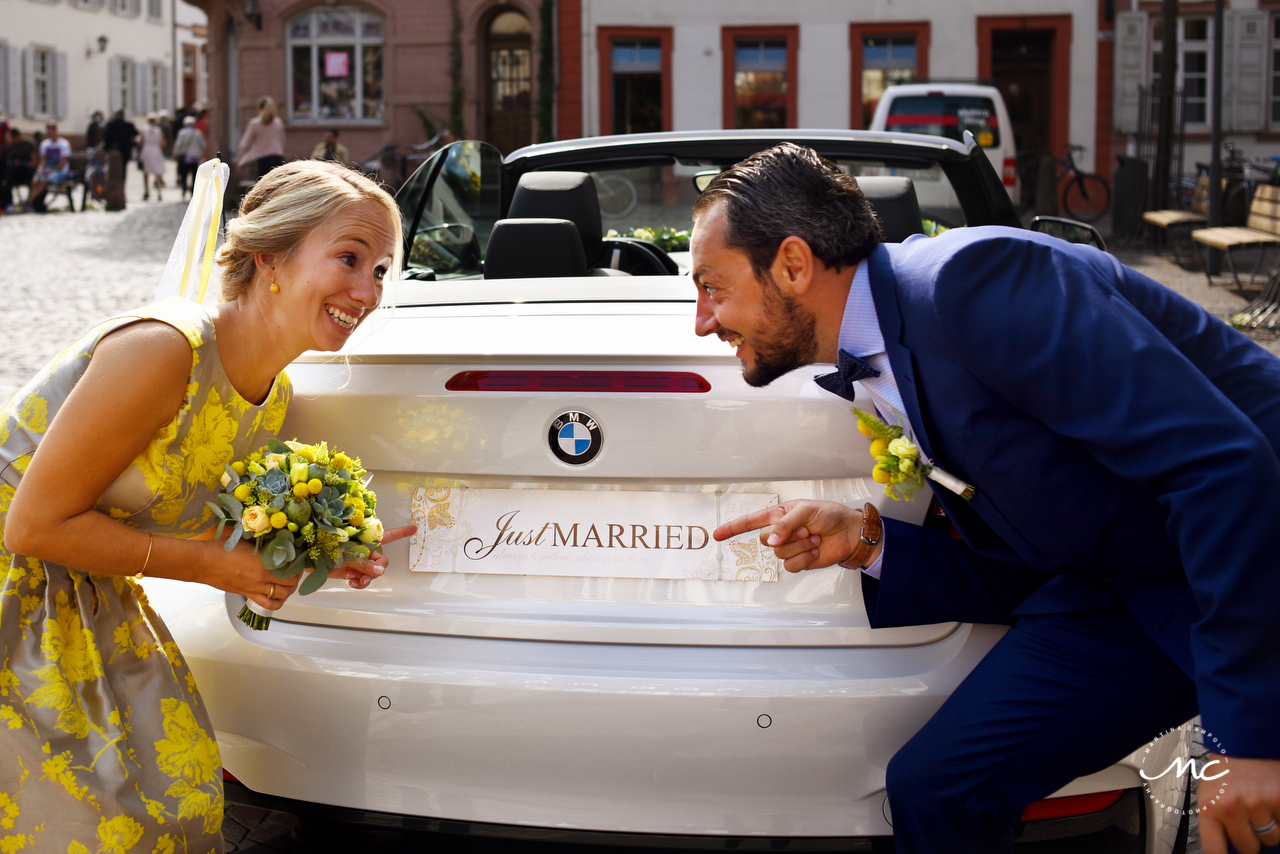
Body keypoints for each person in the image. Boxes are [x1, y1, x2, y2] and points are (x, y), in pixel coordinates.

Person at [692, 143, 1280, 854]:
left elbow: (1222, 468)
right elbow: (1032, 546)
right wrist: (871, 540)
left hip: (1254, 558)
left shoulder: (974, 283)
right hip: (1130, 582)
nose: (702, 320)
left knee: (1253, 818)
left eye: (712, 288)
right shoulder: (879, 359)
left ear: (792, 265)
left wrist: (1251, 741)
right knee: (939, 789)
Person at [0, 160, 416, 851]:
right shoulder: (164, 348)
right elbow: (33, 523)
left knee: (175, 796)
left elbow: (176, 513)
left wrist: (319, 555)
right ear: (270, 259)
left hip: (82, 596)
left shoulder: (273, 395)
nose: (367, 288)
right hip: (15, 591)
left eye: (380, 270)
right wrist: (217, 570)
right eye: (349, 257)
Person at [234, 95, 286, 181]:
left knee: (263, 186)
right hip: (277, 157)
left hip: (262, 159)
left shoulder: (255, 123)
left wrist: (239, 156)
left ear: (258, 108)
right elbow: (282, 141)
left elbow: (245, 142)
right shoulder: (278, 123)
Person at [28, 122, 73, 212]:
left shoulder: (63, 144)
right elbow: (43, 161)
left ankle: (29, 202)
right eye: (48, 131)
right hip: (48, 170)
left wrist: (51, 170)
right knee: (35, 180)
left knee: (45, 181)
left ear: (55, 131)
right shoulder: (45, 144)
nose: (50, 133)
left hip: (60, 171)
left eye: (51, 131)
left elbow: (62, 163)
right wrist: (39, 171)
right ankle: (35, 203)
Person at [172, 115, 208, 198]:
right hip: (195, 157)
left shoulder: (182, 133)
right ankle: (193, 190)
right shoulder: (198, 133)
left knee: (184, 174)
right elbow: (204, 145)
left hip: (185, 156)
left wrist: (175, 154)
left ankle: (184, 188)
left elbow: (178, 145)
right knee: (194, 174)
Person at [2, 128, 36, 212]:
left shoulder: (29, 144)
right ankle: (8, 204)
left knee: (33, 179)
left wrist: (22, 162)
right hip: (15, 173)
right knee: (6, 179)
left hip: (27, 171)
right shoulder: (11, 146)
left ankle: (30, 203)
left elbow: (34, 162)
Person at [103, 109, 139, 181]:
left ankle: (115, 186)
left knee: (113, 169)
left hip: (114, 150)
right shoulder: (129, 125)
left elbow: (107, 138)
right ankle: (122, 185)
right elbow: (136, 134)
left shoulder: (111, 125)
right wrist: (131, 144)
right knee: (123, 169)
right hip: (125, 150)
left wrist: (106, 148)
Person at [139, 113, 167, 201]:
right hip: (156, 151)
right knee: (157, 173)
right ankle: (159, 192)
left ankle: (147, 191)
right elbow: (162, 142)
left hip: (147, 150)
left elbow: (140, 142)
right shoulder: (158, 130)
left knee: (146, 173)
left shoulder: (144, 130)